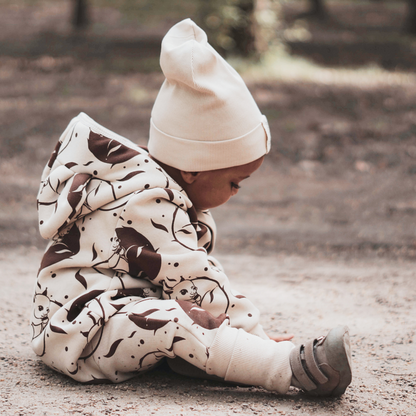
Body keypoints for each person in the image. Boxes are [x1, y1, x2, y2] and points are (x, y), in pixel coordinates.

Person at [31, 18, 352, 396]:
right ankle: (282, 369)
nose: (236, 193)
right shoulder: (146, 200)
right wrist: (261, 342)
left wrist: (237, 324)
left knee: (202, 310)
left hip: (115, 313)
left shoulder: (157, 189)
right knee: (174, 317)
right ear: (194, 167)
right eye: (234, 181)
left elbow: (196, 283)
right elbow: (197, 281)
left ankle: (205, 359)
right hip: (78, 332)